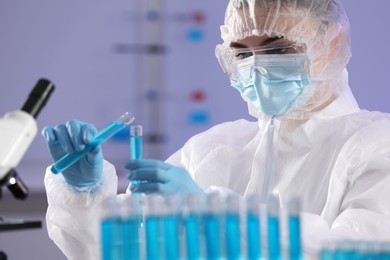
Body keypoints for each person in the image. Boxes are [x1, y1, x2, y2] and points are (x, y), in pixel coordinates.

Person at [42, 0, 390, 259]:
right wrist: (84, 194)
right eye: (242, 54)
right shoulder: (211, 149)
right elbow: (125, 251)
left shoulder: (375, 144)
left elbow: (361, 250)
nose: (257, 69)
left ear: (331, 42)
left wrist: (211, 211)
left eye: (279, 48)